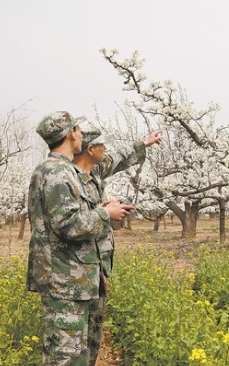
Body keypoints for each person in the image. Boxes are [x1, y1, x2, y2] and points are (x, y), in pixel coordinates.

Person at [26, 111, 133, 366]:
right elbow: (68, 225)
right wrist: (105, 214)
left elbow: (67, 215)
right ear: (71, 133)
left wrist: (100, 208)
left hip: (72, 277)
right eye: (79, 129)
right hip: (64, 279)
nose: (82, 134)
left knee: (77, 354)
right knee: (65, 356)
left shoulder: (59, 170)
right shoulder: (58, 172)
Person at [72, 125, 162, 366]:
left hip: (96, 263)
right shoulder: (69, 179)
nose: (106, 149)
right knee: (75, 337)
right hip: (77, 268)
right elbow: (71, 223)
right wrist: (104, 212)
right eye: (102, 145)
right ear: (90, 149)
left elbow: (119, 158)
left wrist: (144, 143)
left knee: (94, 329)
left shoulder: (96, 171)